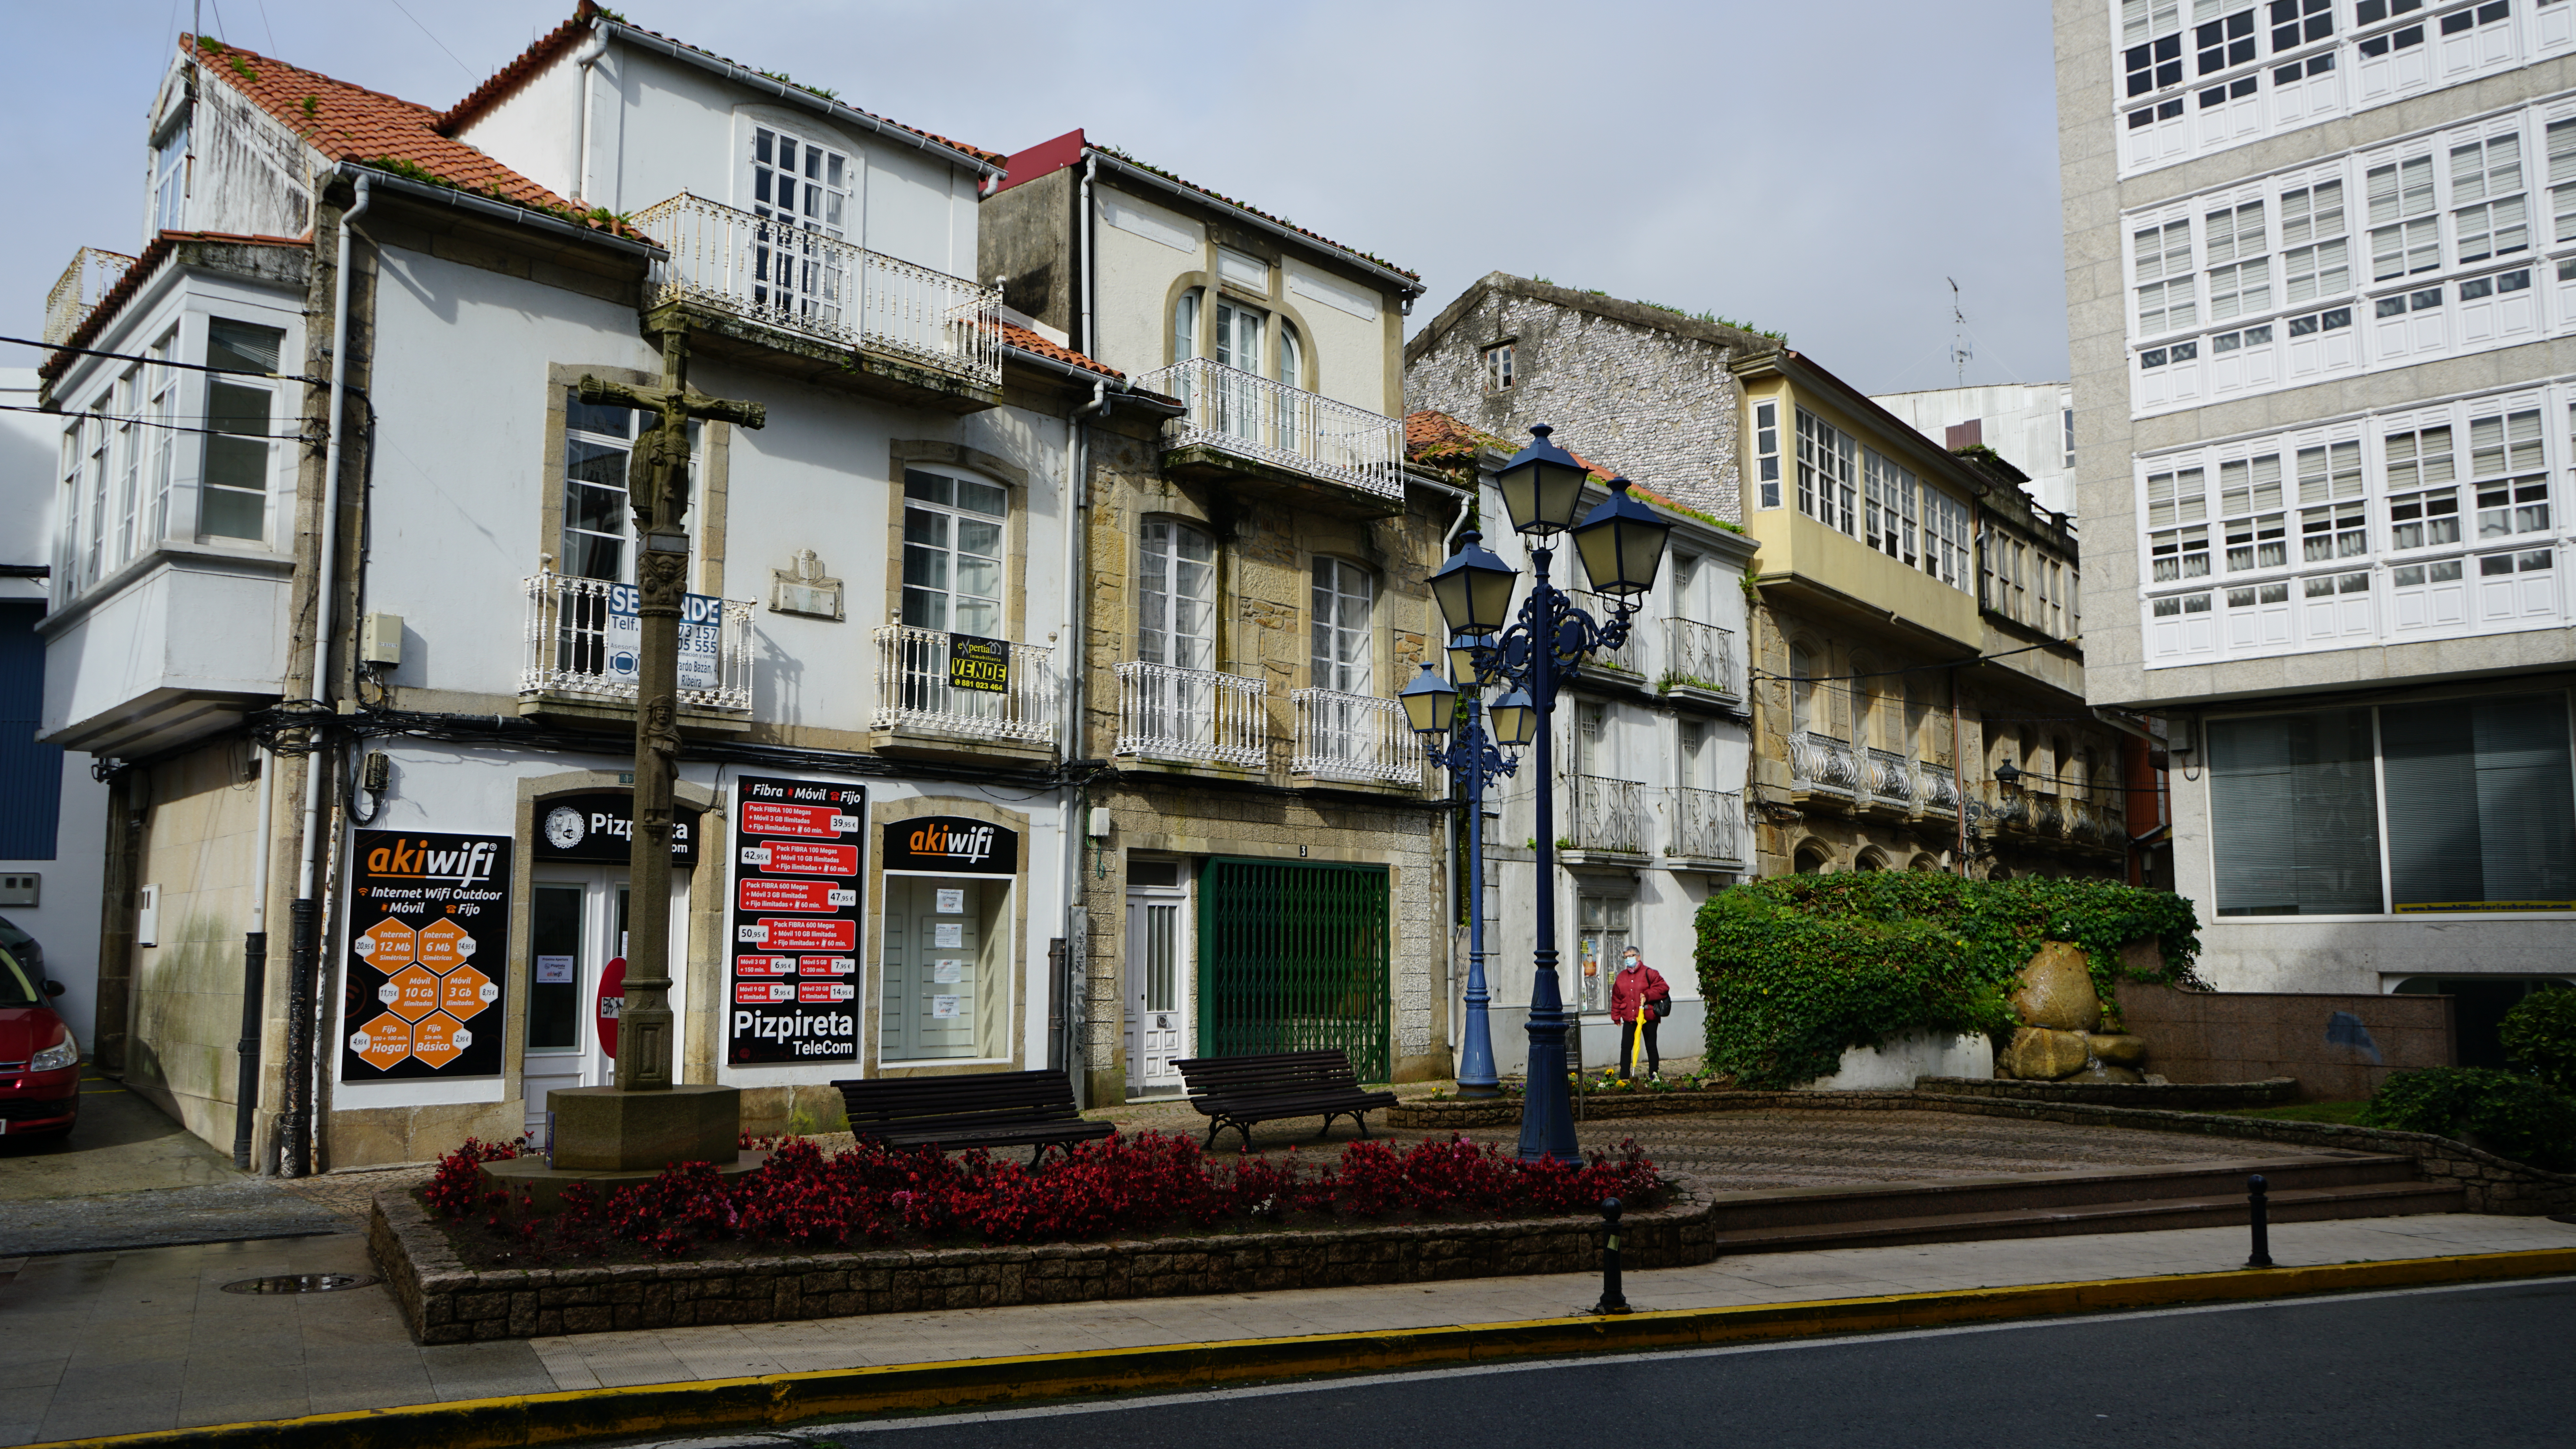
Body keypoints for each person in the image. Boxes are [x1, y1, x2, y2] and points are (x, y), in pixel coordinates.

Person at [1607, 947, 1671, 1080]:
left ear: (1638, 957)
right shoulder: (1621, 977)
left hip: (1648, 1017)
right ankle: (1624, 1076)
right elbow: (1617, 998)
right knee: (1626, 1047)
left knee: (1651, 1046)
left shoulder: (1650, 973)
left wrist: (1647, 995)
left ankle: (1654, 1075)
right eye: (1626, 957)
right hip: (1630, 1018)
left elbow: (1663, 988)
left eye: (1631, 956)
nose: (1628, 959)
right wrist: (1616, 1016)